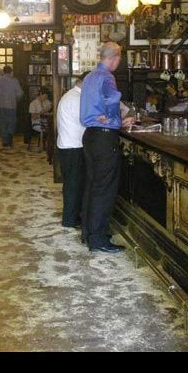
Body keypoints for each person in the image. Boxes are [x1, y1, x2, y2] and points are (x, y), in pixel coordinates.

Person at [80, 42, 135, 253]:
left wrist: (109, 117)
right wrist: (117, 119)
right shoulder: (107, 77)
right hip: (104, 138)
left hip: (90, 136)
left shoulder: (90, 77)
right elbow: (113, 101)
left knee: (93, 185)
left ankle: (89, 232)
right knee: (104, 190)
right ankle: (99, 239)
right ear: (115, 58)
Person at [56, 72, 90, 229]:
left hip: (70, 145)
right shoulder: (75, 98)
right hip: (72, 147)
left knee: (73, 184)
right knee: (73, 185)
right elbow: (86, 121)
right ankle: (70, 220)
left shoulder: (73, 95)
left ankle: (72, 217)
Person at [0, 65, 23, 150]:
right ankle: (10, 137)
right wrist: (16, 100)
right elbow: (19, 93)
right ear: (11, 72)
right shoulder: (14, 81)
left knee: (2, 123)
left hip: (0, 106)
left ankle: (5, 142)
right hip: (11, 106)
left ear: (3, 72)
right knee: (12, 122)